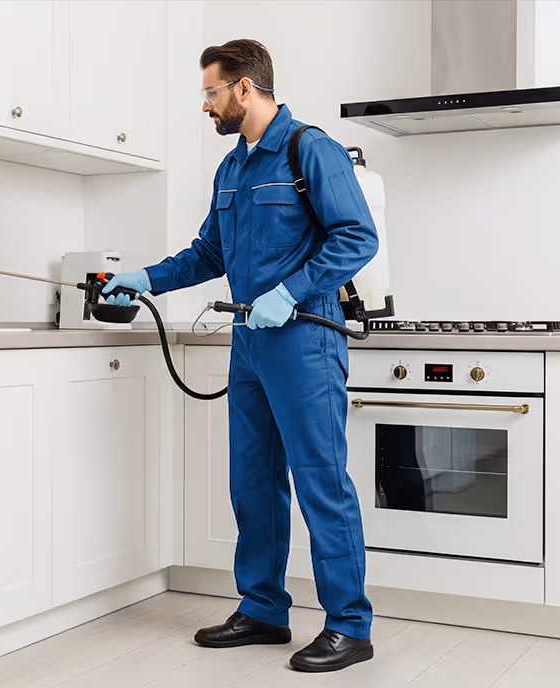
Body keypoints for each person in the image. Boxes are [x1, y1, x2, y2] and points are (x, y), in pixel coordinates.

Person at [103, 39, 378, 673]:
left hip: (305, 339)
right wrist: (144, 278)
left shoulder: (312, 149)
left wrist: (291, 290)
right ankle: (262, 609)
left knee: (319, 482)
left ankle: (349, 625)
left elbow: (357, 235)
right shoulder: (232, 169)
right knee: (251, 482)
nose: (205, 106)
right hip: (250, 343)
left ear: (245, 88)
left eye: (211, 92)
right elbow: (209, 254)